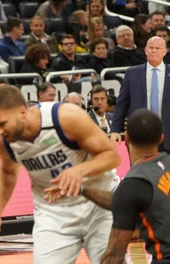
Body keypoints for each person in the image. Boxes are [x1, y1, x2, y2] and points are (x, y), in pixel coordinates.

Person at [0, 85, 120, 263]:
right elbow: (7, 173)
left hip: (98, 204)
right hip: (54, 212)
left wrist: (79, 170)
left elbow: (112, 156)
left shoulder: (66, 117)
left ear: (23, 112)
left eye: (2, 124)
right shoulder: (2, 141)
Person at [71, 109, 170, 263]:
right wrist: (83, 189)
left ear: (127, 138)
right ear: (161, 138)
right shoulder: (164, 165)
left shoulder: (134, 183)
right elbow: (123, 202)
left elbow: (114, 257)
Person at [111, 36, 170, 152]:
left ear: (165, 52)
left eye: (158, 48)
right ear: (145, 51)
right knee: (142, 170)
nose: (153, 50)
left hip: (167, 134)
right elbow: (122, 103)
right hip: (140, 134)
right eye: (151, 48)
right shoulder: (131, 73)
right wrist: (115, 130)